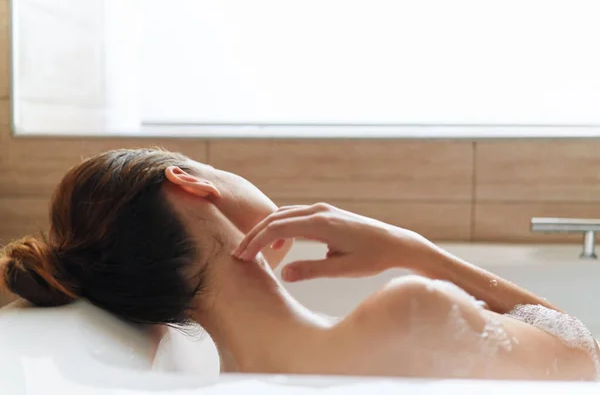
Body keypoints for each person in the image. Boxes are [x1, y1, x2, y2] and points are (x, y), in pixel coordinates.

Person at [0, 147, 597, 380]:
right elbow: (583, 357)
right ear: (188, 183)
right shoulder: (412, 313)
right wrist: (414, 248)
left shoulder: (205, 371)